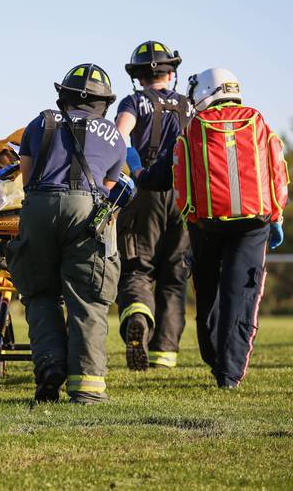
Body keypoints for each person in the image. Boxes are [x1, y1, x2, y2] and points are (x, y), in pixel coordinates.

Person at [127, 68, 289, 388]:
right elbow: (278, 171)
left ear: (202, 92)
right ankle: (229, 375)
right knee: (241, 295)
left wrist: (135, 167)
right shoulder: (258, 123)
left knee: (209, 294)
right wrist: (278, 216)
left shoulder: (191, 130)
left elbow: (158, 179)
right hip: (253, 224)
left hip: (205, 225)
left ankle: (214, 357)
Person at [8, 63, 127, 404]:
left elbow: (27, 179)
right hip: (87, 210)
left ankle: (49, 367)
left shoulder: (39, 122)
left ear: (64, 96)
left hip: (39, 206)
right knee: (87, 297)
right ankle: (87, 388)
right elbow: (108, 188)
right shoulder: (114, 137)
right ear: (104, 103)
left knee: (40, 293)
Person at [115, 40, 194, 371]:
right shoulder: (189, 105)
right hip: (183, 195)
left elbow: (119, 137)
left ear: (138, 77)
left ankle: (138, 317)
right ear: (171, 73)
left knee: (137, 266)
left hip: (143, 191)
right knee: (175, 274)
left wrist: (134, 167)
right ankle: (165, 353)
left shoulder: (134, 101)